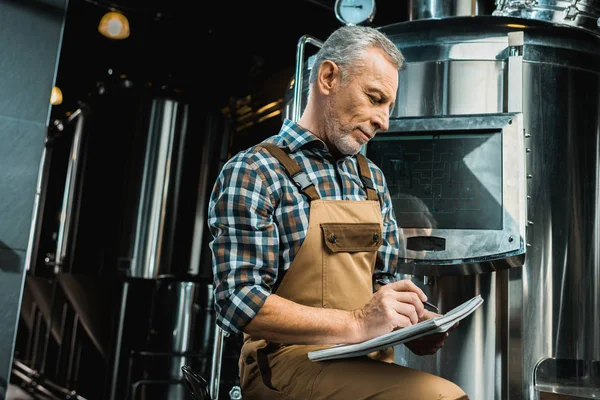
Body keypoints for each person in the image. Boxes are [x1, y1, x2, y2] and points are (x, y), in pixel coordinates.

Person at [207, 25, 468, 399]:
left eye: (389, 107)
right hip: (285, 365)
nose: (384, 121)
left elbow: (381, 279)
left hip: (366, 362)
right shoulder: (255, 171)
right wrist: (358, 323)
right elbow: (238, 301)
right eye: (375, 98)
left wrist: (412, 323)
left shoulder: (371, 178)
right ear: (329, 77)